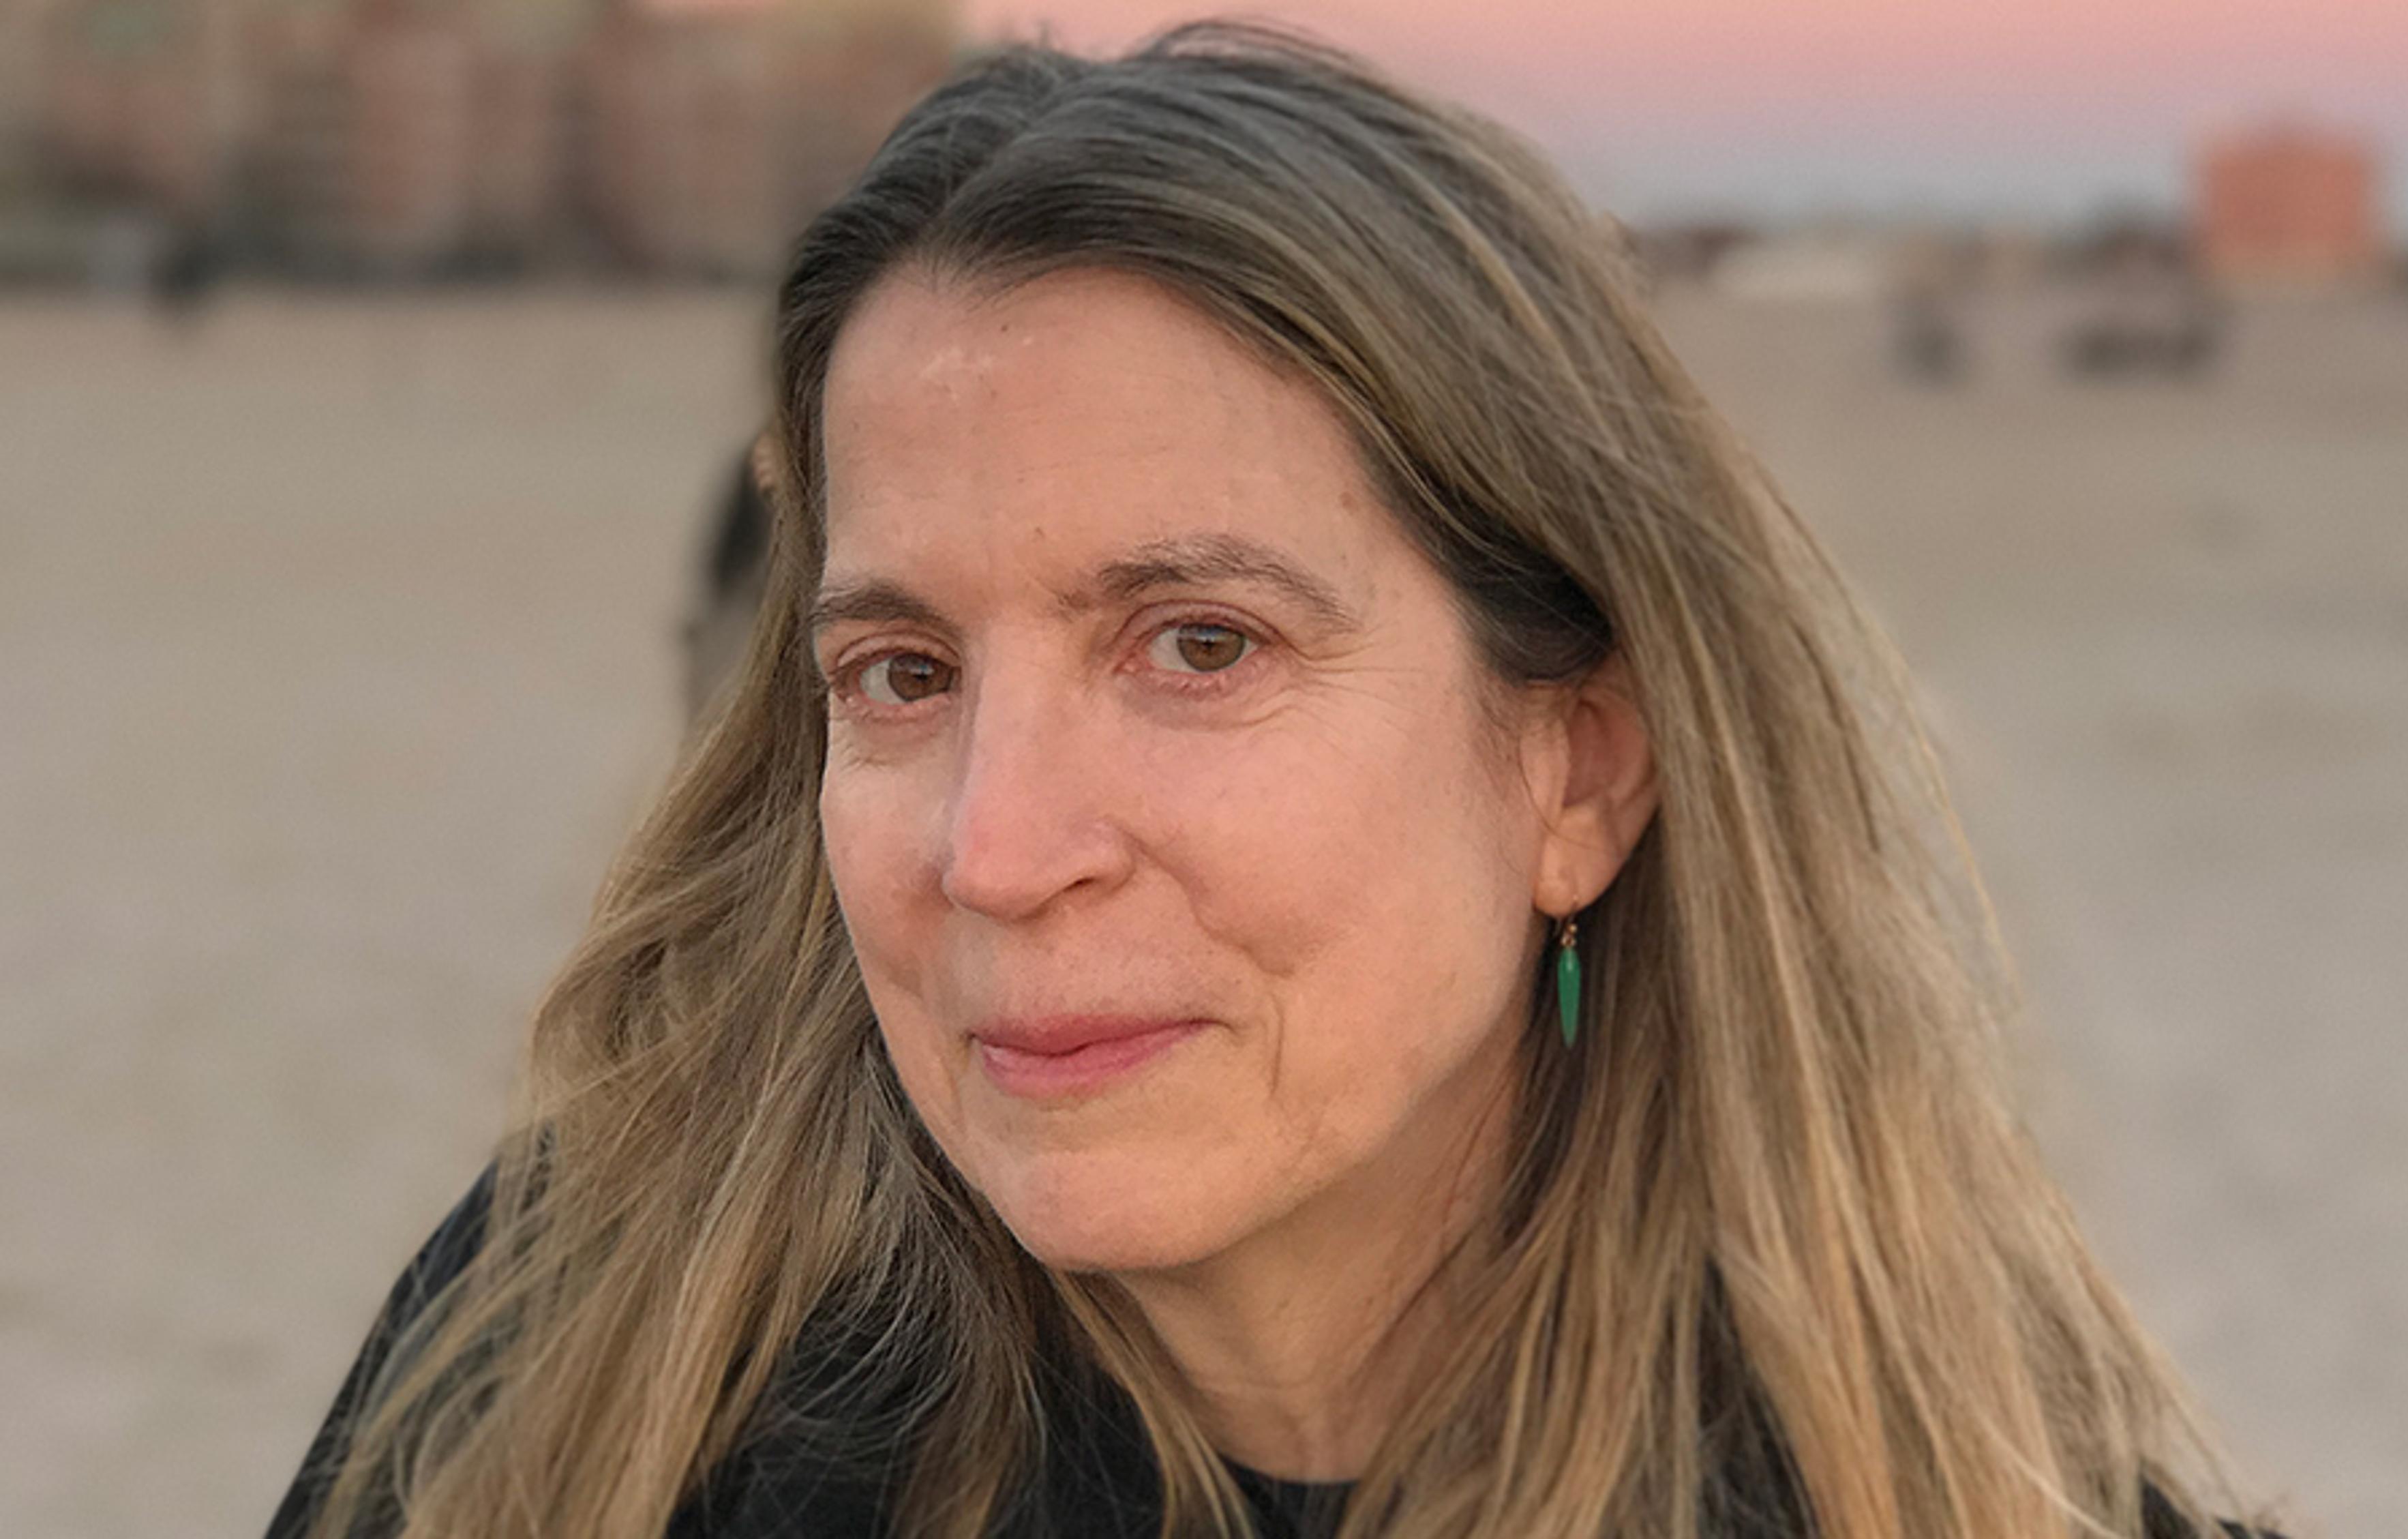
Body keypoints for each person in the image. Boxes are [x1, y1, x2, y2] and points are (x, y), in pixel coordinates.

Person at [267, 23, 2277, 1539]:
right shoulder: (587, 1366)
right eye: (901, 671)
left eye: (1199, 644)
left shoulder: (1956, 1469)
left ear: (1581, 766)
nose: (994, 848)